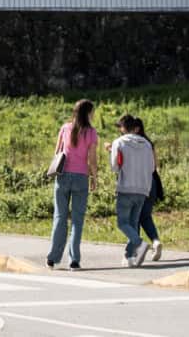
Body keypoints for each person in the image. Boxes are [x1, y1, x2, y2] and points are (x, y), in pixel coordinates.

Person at [46, 99, 98, 270]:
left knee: (60, 217)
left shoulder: (64, 128)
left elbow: (57, 152)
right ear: (88, 113)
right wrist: (94, 177)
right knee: (77, 219)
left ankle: (52, 258)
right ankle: (74, 259)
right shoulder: (91, 132)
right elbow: (92, 159)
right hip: (81, 177)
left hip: (62, 176)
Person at [108, 114, 156, 267]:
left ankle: (140, 243)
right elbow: (153, 167)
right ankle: (129, 257)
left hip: (126, 187)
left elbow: (115, 167)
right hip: (143, 189)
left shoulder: (119, 142)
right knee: (133, 223)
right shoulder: (147, 144)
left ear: (123, 128)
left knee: (122, 223)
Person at [131, 117, 163, 261]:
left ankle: (136, 250)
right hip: (152, 182)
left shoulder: (133, 143)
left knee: (135, 216)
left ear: (136, 128)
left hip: (138, 184)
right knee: (145, 215)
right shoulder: (149, 143)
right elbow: (156, 164)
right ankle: (155, 241)